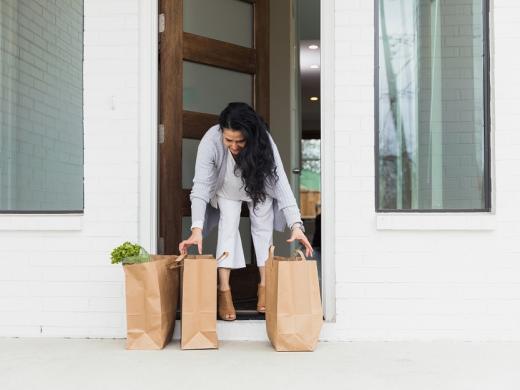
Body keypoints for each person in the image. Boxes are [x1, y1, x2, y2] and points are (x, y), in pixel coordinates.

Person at [178, 102, 313, 321]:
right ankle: (224, 291)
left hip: (258, 188)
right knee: (228, 230)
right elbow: (201, 186)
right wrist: (196, 228)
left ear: (251, 136)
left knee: (263, 231)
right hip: (226, 191)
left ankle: (264, 287)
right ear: (221, 132)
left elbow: (282, 186)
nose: (233, 145)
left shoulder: (265, 141)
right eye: (228, 140)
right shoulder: (211, 140)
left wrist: (296, 226)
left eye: (240, 141)